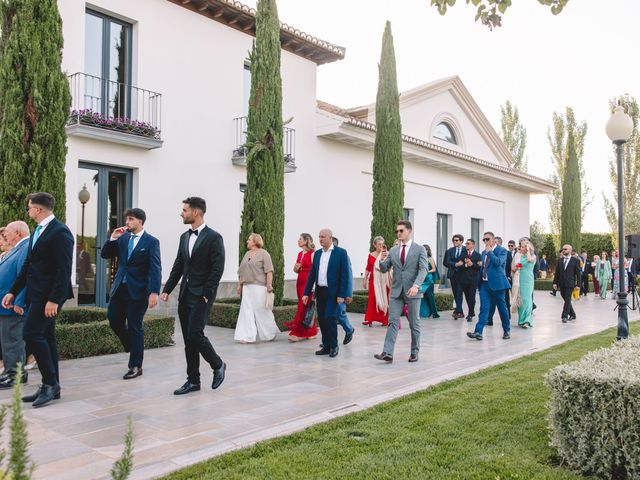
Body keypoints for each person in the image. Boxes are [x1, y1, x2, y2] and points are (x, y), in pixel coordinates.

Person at [2, 193, 73, 408]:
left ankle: (49, 384)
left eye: (29, 208)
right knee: (47, 337)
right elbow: (28, 266)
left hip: (49, 297)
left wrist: (53, 299)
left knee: (31, 333)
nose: (28, 211)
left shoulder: (60, 232)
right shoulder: (37, 232)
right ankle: (54, 385)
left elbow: (63, 269)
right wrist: (13, 291)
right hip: (36, 294)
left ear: (38, 209)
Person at [160, 197, 226, 395]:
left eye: (184, 210)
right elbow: (179, 265)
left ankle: (218, 364)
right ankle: (193, 381)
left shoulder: (214, 237)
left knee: (195, 334)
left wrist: (207, 293)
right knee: (189, 340)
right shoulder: (184, 237)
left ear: (195, 212)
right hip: (185, 295)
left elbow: (217, 268)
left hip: (201, 296)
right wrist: (167, 289)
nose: (182, 213)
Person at [101, 208, 161, 380]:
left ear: (140, 221)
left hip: (139, 291)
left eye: (131, 219)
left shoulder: (151, 242)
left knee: (135, 325)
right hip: (120, 288)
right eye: (126, 219)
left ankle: (135, 365)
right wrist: (113, 238)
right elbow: (105, 254)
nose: (127, 222)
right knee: (113, 319)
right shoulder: (123, 238)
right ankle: (131, 345)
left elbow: (155, 268)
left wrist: (154, 292)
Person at [374, 220, 428, 363]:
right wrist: (382, 259)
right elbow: (385, 268)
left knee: (414, 323)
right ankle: (387, 352)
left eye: (401, 231)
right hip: (396, 292)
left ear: (409, 231)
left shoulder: (419, 249)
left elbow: (424, 269)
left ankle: (414, 352)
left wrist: (416, 285)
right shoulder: (393, 250)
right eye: (397, 231)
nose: (398, 233)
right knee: (392, 322)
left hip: (413, 292)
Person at [302, 229, 352, 358]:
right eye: (319, 237)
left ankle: (334, 346)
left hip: (334, 293)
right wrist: (306, 292)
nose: (320, 239)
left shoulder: (341, 253)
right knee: (323, 320)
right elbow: (312, 274)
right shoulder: (318, 254)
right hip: (320, 291)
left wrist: (342, 294)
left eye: (323, 237)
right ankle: (326, 346)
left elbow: (345, 275)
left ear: (330, 238)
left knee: (330, 318)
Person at [0, 221, 30, 389]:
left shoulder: (24, 248)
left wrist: (19, 301)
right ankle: (10, 372)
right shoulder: (18, 248)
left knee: (13, 340)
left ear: (18, 233)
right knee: (7, 340)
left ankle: (15, 375)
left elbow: (23, 276)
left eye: (8, 233)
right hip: (5, 304)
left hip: (12, 305)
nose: (5, 236)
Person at [234, 233, 280, 343]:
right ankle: (247, 336)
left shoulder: (264, 254)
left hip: (259, 286)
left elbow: (269, 271)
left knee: (262, 310)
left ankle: (270, 333)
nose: (247, 242)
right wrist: (239, 284)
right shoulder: (247, 254)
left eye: (249, 240)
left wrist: (269, 285)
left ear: (255, 241)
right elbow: (242, 271)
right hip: (247, 286)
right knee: (246, 310)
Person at [467, 232, 511, 341]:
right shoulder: (483, 252)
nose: (485, 242)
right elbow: (484, 267)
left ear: (493, 240)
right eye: (484, 240)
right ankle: (478, 332)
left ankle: (506, 330)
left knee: (502, 308)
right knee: (484, 308)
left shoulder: (502, 250)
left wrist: (490, 253)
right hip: (485, 284)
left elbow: (498, 263)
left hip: (498, 285)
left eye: (487, 239)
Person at [285, 233, 318, 342]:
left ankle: (297, 333)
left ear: (306, 241)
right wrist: (296, 268)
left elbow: (315, 272)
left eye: (300, 239)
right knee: (304, 306)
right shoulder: (299, 254)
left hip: (308, 283)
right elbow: (296, 270)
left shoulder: (313, 254)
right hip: (300, 281)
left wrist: (314, 286)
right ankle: (310, 331)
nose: (298, 241)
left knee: (303, 306)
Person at [331, 237, 355, 345]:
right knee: (329, 316)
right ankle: (329, 340)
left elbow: (348, 275)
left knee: (340, 314)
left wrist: (348, 294)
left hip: (340, 291)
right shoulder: (325, 256)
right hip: (328, 291)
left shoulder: (343, 256)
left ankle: (349, 329)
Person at [362, 236, 390, 327]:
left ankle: (384, 319)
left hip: (384, 281)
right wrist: (365, 279)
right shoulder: (370, 255)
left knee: (384, 299)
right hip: (373, 281)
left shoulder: (386, 254)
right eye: (379, 244)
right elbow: (368, 268)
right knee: (372, 299)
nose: (381, 246)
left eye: (382, 244)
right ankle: (369, 319)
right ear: (374, 245)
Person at [553, 244, 582, 323]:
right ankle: (573, 314)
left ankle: (564, 316)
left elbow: (578, 274)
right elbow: (557, 273)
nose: (563, 250)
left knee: (568, 299)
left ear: (570, 250)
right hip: (561, 283)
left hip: (570, 283)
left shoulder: (575, 260)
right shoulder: (560, 260)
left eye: (565, 249)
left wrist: (578, 285)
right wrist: (555, 283)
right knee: (566, 299)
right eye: (563, 249)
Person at [511, 239, 536, 328]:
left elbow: (529, 260)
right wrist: (517, 267)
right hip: (519, 280)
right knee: (520, 299)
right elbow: (513, 269)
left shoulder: (533, 256)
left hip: (528, 280)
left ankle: (527, 321)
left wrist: (528, 250)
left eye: (523, 246)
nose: (521, 248)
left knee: (527, 299)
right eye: (521, 246)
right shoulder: (518, 256)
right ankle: (521, 320)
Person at [458, 239, 481, 322]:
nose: (466, 245)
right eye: (466, 243)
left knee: (472, 296)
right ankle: (471, 311)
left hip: (473, 279)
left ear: (472, 245)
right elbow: (459, 265)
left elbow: (479, 267)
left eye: (468, 243)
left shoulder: (478, 255)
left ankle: (470, 314)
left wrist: (472, 264)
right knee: (467, 297)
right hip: (463, 279)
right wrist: (465, 265)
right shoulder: (463, 254)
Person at [443, 234, 465, 319]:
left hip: (462, 275)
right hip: (453, 274)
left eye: (456, 240)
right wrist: (455, 264)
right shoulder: (450, 250)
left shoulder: (465, 250)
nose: (455, 242)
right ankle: (460, 311)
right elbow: (446, 262)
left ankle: (457, 311)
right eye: (454, 240)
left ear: (461, 241)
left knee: (459, 292)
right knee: (455, 293)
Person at [419, 244, 440, 319]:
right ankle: (425, 313)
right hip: (422, 280)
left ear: (428, 251)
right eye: (423, 250)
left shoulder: (430, 258)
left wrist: (427, 271)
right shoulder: (420, 258)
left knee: (430, 297)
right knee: (423, 297)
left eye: (426, 250)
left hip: (429, 280)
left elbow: (434, 269)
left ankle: (434, 313)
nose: (424, 251)